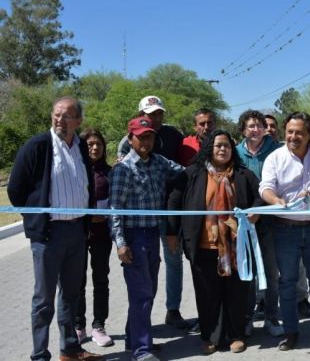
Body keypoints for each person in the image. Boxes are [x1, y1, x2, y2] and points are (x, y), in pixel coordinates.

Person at [8, 97, 102, 361]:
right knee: (44, 299)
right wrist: (36, 218)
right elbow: (16, 190)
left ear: (78, 121)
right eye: (56, 114)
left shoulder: (82, 146)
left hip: (76, 232)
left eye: (66, 116)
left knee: (71, 294)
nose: (60, 120)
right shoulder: (38, 146)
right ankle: (39, 354)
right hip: (49, 235)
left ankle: (70, 349)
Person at [168, 130, 262, 355]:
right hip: (202, 247)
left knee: (236, 293)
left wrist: (255, 213)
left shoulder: (243, 175)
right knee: (207, 295)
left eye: (227, 146)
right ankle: (210, 337)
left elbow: (259, 197)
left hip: (236, 248)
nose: (222, 149)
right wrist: (171, 233)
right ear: (209, 148)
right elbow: (173, 200)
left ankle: (236, 335)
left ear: (233, 149)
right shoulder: (192, 174)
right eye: (218, 145)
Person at [109, 116, 184, 361]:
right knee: (141, 293)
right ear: (130, 139)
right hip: (133, 238)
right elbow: (114, 210)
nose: (146, 141)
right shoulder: (123, 169)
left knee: (148, 291)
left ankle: (136, 338)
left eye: (150, 136)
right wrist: (121, 243)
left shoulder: (159, 162)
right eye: (141, 137)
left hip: (152, 234)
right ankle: (141, 350)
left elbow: (184, 172)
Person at [259, 111, 310, 351]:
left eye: (299, 132)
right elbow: (266, 188)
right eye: (290, 131)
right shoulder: (275, 158)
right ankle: (291, 332)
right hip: (284, 229)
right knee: (287, 282)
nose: (293, 136)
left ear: (309, 134)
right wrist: (275, 200)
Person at [116, 96, 191, 331]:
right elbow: (117, 201)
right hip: (138, 223)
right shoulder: (125, 148)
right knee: (142, 282)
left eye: (158, 113)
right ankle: (138, 335)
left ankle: (172, 310)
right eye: (149, 114)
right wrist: (120, 240)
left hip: (168, 211)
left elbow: (183, 172)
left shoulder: (171, 140)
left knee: (171, 261)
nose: (154, 118)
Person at [235, 110, 283, 337]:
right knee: (247, 274)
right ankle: (246, 318)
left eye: (258, 125)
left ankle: (272, 317)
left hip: (271, 222)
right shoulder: (235, 153)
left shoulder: (277, 151)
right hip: (244, 222)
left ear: (265, 128)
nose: (255, 130)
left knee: (272, 273)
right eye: (250, 126)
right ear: (243, 130)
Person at [75, 129, 114, 347]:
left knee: (101, 280)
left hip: (102, 235)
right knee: (77, 281)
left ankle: (99, 326)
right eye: (90, 144)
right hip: (78, 235)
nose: (95, 148)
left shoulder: (110, 172)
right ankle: (78, 326)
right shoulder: (76, 171)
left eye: (98, 144)